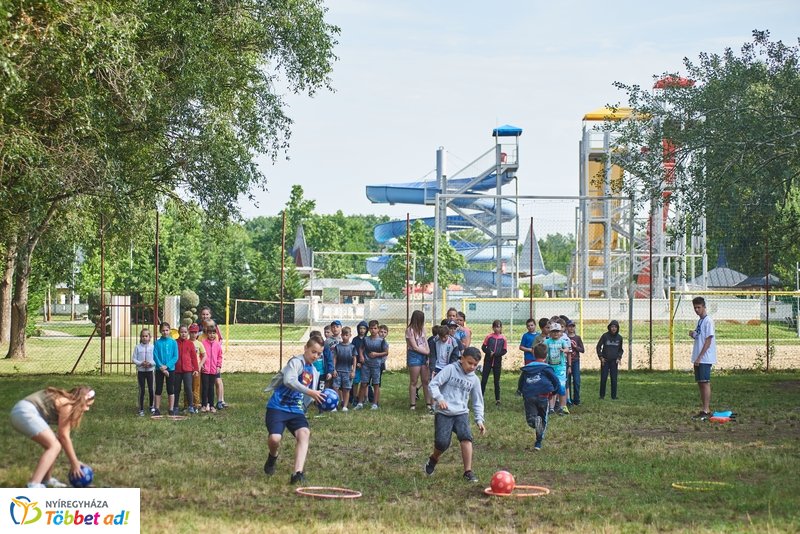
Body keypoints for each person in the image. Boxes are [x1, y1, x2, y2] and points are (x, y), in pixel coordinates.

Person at [263, 337, 325, 484]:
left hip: (296, 410)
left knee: (304, 433)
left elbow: (310, 394)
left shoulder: (314, 371)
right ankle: (273, 456)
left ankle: (297, 474)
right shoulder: (296, 362)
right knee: (275, 439)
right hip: (277, 407)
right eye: (313, 352)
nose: (315, 356)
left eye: (319, 354)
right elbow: (289, 381)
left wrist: (316, 399)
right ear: (305, 348)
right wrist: (311, 392)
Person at [10, 386, 96, 488]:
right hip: (24, 412)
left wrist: (75, 461)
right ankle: (34, 484)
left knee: (54, 445)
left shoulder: (67, 401)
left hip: (22, 411)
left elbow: (62, 437)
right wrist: (74, 463)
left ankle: (46, 480)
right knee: (54, 446)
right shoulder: (67, 405)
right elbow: (64, 436)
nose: (87, 408)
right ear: (81, 401)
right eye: (87, 405)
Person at [425, 347, 486, 483]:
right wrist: (440, 399)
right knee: (442, 443)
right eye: (469, 363)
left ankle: (468, 472)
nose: (472, 367)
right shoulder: (450, 369)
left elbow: (478, 401)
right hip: (444, 412)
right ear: (462, 358)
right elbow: (433, 385)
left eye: (475, 365)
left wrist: (479, 419)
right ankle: (434, 458)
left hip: (461, 413)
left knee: (466, 437)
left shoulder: (474, 380)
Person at [517, 344, 561, 450]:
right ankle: (538, 443)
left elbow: (521, 381)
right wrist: (553, 393)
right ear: (546, 355)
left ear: (533, 353)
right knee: (543, 419)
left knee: (531, 418)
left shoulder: (527, 368)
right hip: (543, 396)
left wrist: (520, 391)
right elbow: (556, 381)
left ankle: (534, 421)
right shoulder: (547, 368)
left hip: (529, 396)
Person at [689, 297, 716, 419]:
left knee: (705, 382)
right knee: (700, 383)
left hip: (704, 358)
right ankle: (704, 409)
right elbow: (699, 336)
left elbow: (708, 340)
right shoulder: (700, 321)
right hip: (698, 358)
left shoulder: (708, 321)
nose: (696, 309)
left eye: (699, 307)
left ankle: (706, 410)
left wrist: (699, 357)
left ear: (704, 307)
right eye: (695, 307)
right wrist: (693, 334)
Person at [356, 320, 388, 410]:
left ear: (378, 329)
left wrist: (376, 354)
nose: (373, 330)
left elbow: (386, 352)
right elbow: (361, 348)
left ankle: (375, 404)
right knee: (363, 383)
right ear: (368, 329)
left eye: (375, 328)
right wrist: (361, 356)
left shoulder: (382, 341)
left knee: (376, 384)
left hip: (376, 366)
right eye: (371, 328)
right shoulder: (366, 339)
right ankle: (360, 403)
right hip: (366, 365)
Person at [199, 307, 227, 410]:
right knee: (205, 384)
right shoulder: (201, 334)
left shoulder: (215, 328)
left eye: (207, 314)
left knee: (217, 380)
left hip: (214, 363)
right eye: (203, 314)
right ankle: (204, 403)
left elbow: (220, 341)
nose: (205, 316)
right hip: (205, 364)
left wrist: (218, 364)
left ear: (210, 315)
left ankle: (220, 400)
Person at [405, 310, 430, 411]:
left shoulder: (423, 329)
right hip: (414, 355)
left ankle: (428, 403)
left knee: (425, 380)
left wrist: (428, 352)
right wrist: (426, 352)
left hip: (424, 354)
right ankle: (412, 404)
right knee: (414, 381)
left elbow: (425, 342)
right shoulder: (409, 330)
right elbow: (414, 347)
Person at [544, 322, 571, 414]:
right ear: (550, 333)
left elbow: (568, 349)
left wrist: (564, 350)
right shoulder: (547, 341)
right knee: (551, 388)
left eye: (557, 331)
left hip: (561, 368)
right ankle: (551, 408)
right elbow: (543, 350)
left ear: (561, 332)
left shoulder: (563, 341)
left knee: (562, 387)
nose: (555, 333)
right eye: (553, 332)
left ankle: (562, 407)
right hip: (550, 367)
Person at [153, 321, 178, 416]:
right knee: (158, 389)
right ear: (160, 331)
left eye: (167, 330)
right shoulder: (157, 343)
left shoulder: (173, 342)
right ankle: (157, 409)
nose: (165, 332)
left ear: (169, 331)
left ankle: (171, 409)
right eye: (163, 330)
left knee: (170, 389)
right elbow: (155, 356)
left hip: (170, 369)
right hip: (159, 369)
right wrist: (162, 368)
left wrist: (167, 366)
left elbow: (175, 357)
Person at [480, 320, 508, 405]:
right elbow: (483, 347)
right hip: (488, 361)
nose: (497, 329)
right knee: (484, 380)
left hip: (497, 362)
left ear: (501, 328)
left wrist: (495, 354)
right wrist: (489, 352)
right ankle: (480, 397)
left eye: (498, 327)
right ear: (493, 327)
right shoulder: (489, 337)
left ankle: (498, 399)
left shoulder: (503, 338)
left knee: (497, 381)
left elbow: (504, 351)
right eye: (495, 327)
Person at [174, 325, 199, 415]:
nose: (183, 334)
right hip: (177, 370)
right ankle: (175, 406)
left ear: (187, 333)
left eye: (185, 332)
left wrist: (196, 369)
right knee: (176, 388)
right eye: (181, 332)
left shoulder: (190, 343)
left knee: (188, 388)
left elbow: (194, 358)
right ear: (178, 333)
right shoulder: (175, 343)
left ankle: (190, 406)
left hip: (188, 370)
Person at [332, 326, 358, 411]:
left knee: (346, 389)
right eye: (343, 335)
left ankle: (345, 406)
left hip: (348, 372)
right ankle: (335, 406)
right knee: (335, 387)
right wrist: (334, 369)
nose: (345, 337)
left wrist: (353, 371)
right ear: (341, 335)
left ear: (350, 335)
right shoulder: (337, 347)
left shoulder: (352, 347)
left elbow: (354, 359)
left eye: (347, 335)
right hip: (338, 371)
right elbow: (335, 358)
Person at [597, 319, 624, 400]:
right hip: (605, 361)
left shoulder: (619, 338)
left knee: (614, 379)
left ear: (617, 328)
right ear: (609, 327)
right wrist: (600, 357)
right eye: (612, 326)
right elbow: (598, 347)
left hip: (614, 361)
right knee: (604, 378)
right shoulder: (605, 336)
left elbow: (620, 350)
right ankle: (602, 396)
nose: (613, 328)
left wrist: (619, 358)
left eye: (615, 327)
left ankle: (614, 396)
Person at [200, 321, 223, 412]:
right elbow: (201, 355)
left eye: (214, 333)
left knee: (211, 388)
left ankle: (212, 405)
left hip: (213, 370)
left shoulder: (217, 345)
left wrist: (218, 366)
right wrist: (201, 365)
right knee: (205, 387)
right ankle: (204, 405)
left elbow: (220, 356)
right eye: (210, 333)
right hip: (205, 369)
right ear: (207, 333)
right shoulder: (203, 343)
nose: (212, 335)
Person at [131, 327, 155, 416]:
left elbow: (156, 359)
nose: (145, 338)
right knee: (142, 390)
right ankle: (141, 409)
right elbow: (133, 359)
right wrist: (141, 363)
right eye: (143, 336)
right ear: (140, 337)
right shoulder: (137, 347)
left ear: (150, 337)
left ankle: (152, 406)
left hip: (150, 371)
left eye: (146, 336)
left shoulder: (152, 347)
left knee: (151, 389)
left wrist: (151, 363)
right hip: (141, 371)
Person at [566, 320, 585, 406]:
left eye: (573, 326)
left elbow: (582, 350)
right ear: (567, 327)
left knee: (577, 381)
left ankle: (576, 399)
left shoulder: (577, 338)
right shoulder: (564, 337)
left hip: (575, 361)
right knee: (568, 381)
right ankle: (568, 400)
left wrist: (575, 347)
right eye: (570, 326)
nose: (571, 328)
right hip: (566, 362)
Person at [188, 323, 206, 410]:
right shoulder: (187, 342)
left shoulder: (199, 344)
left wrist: (200, 365)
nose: (193, 334)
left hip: (196, 368)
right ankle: (187, 404)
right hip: (187, 368)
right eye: (191, 332)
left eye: (195, 332)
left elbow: (204, 355)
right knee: (188, 386)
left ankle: (196, 404)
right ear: (189, 333)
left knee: (196, 386)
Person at [351, 321, 369, 407]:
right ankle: (355, 397)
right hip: (357, 365)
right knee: (356, 382)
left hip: (366, 365)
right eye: (360, 328)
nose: (362, 330)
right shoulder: (355, 340)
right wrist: (357, 363)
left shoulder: (368, 339)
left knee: (365, 382)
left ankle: (365, 398)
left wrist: (365, 362)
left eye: (364, 328)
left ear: (366, 330)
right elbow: (353, 352)